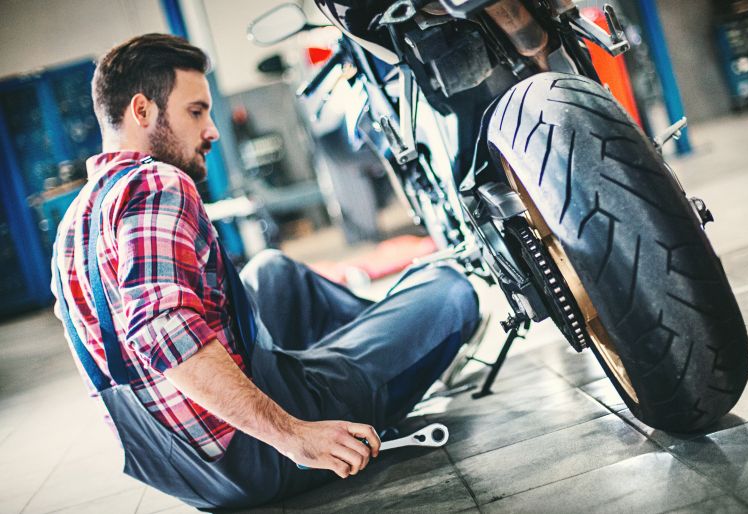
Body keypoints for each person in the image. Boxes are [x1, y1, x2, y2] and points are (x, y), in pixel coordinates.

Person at [51, 33, 479, 509]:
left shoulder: (76, 220)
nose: (211, 130)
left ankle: (360, 354)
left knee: (274, 271)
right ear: (142, 111)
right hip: (260, 453)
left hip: (180, 463)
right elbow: (159, 328)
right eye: (196, 112)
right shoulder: (157, 180)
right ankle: (384, 366)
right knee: (448, 290)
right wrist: (295, 435)